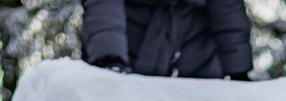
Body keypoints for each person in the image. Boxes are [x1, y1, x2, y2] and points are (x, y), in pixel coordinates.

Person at [81, 0, 252, 80]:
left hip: (197, 68)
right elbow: (103, 7)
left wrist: (238, 71)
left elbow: (228, 12)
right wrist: (110, 58)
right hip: (131, 59)